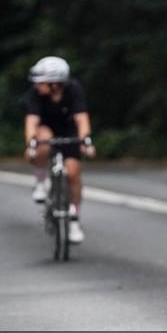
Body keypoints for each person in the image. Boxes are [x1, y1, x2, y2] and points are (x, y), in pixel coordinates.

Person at [24, 56, 95, 244]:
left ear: (55, 83)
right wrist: (31, 144)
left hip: (69, 131)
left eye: (42, 82)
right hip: (46, 130)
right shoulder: (36, 94)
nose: (38, 85)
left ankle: (74, 220)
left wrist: (86, 141)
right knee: (43, 139)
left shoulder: (73, 89)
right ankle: (40, 182)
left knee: (73, 174)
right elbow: (32, 120)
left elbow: (81, 118)